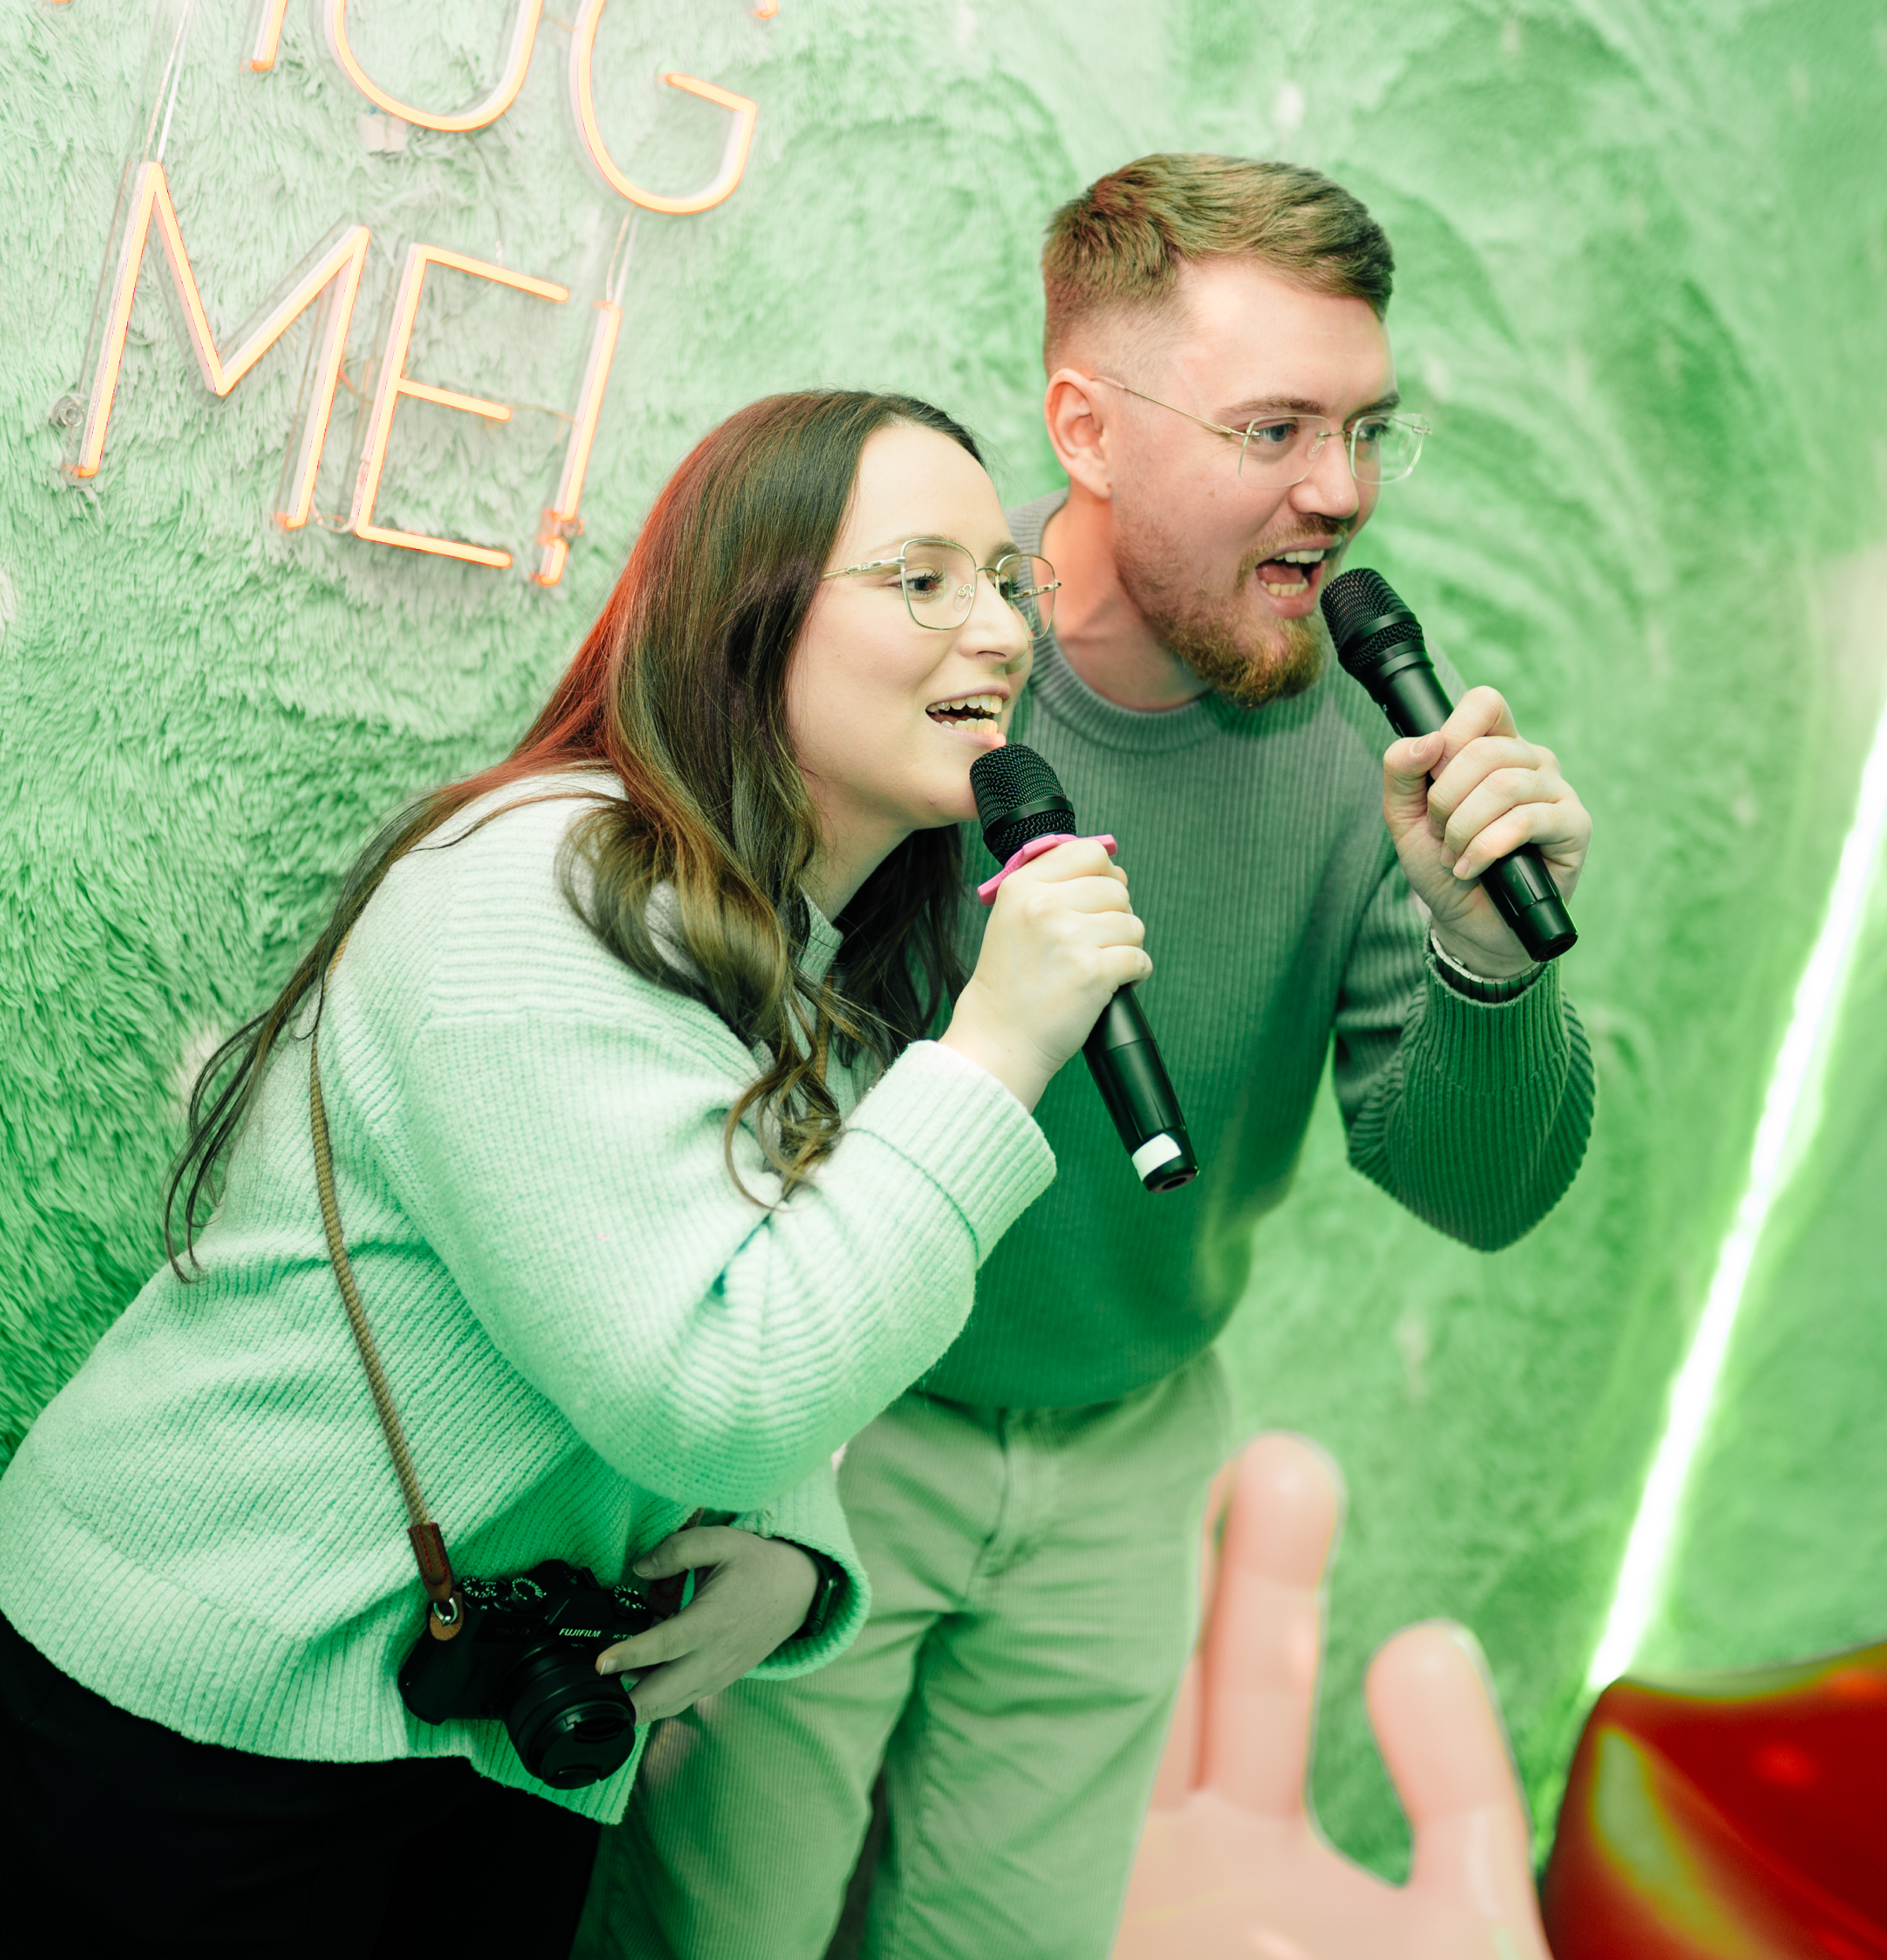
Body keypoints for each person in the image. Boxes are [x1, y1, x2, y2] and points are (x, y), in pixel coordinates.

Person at [0, 391, 1158, 1957]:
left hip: (484, 1731)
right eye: (921, 578)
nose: (995, 629)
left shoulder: (804, 958)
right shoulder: (536, 895)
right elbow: (707, 1380)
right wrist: (995, 1050)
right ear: (747, 619)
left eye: (1008, 580)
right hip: (212, 1692)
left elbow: (749, 1290)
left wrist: (794, 1559)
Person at [580, 155, 1598, 1959]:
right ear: (1087, 425)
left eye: (1368, 428)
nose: (1341, 492)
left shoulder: (1373, 751)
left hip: (1132, 1454)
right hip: (848, 1426)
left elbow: (1482, 1189)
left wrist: (1489, 961)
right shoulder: (916, 678)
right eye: (1275, 426)